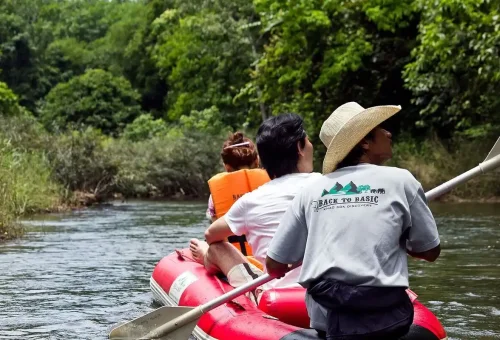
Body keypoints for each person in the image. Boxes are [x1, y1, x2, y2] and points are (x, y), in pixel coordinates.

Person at [266, 102, 441, 339]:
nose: (389, 133)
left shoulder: (311, 191)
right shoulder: (403, 181)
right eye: (381, 129)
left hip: (327, 321)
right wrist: (400, 240)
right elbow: (430, 251)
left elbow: (274, 266)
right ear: (365, 142)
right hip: (388, 321)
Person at [190, 113, 321, 304]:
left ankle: (208, 259)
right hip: (330, 294)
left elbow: (211, 235)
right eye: (308, 141)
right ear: (300, 148)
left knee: (215, 247)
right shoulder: (331, 187)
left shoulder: (249, 201)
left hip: (278, 298)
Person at [205, 131, 261, 222]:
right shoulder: (272, 184)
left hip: (232, 235)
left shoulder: (216, 195)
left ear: (227, 168)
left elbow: (216, 230)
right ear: (257, 161)